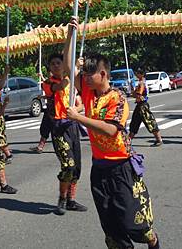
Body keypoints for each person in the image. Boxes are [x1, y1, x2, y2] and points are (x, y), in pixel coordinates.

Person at [64, 17, 160, 249]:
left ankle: (152, 240)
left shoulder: (117, 97)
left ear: (103, 74)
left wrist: (78, 117)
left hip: (121, 168)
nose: (85, 78)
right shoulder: (88, 91)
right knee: (110, 225)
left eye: (90, 74)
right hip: (100, 167)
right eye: (84, 75)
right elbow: (68, 67)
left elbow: (109, 130)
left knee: (132, 222)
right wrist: (70, 35)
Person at [40, 53, 87, 215]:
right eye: (52, 63)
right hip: (58, 129)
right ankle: (62, 198)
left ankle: (71, 200)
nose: (55, 66)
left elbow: (81, 105)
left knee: (77, 168)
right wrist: (75, 67)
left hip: (72, 126)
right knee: (68, 165)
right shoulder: (47, 83)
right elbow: (59, 87)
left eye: (58, 63)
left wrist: (75, 111)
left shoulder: (72, 85)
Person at [129, 68, 163, 147]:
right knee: (134, 122)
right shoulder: (142, 82)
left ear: (141, 74)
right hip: (140, 105)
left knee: (150, 122)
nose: (136, 75)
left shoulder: (142, 83)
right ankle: (128, 140)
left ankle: (159, 139)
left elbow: (138, 95)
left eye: (137, 73)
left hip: (143, 106)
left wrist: (132, 94)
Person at [30, 71, 53, 154]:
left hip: (58, 111)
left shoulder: (58, 84)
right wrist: (41, 76)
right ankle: (40, 146)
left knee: (57, 130)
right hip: (49, 110)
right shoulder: (47, 82)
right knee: (44, 128)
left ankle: (62, 148)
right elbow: (46, 84)